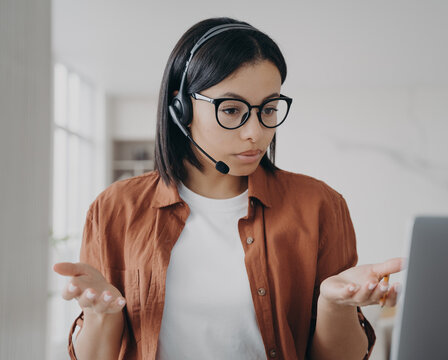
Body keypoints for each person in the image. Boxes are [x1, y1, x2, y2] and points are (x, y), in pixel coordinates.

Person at [53, 17, 403, 360]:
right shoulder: (116, 208)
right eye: (232, 110)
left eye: (268, 108)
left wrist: (334, 306)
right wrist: (102, 314)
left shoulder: (320, 205)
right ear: (181, 108)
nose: (256, 132)